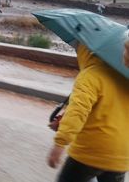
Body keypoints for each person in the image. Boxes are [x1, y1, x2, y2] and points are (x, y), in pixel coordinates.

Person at [47, 41, 129, 182]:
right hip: (121, 156)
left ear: (86, 52)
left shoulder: (91, 75)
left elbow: (77, 112)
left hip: (90, 152)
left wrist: (60, 144)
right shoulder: (125, 76)